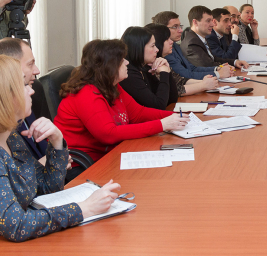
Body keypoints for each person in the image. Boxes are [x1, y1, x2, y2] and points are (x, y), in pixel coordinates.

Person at [0, 55, 120, 251]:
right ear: (3, 97)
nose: (31, 90)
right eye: (23, 86)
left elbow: (48, 190)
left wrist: (57, 142)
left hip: (22, 244)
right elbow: (16, 225)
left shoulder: (11, 137)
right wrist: (84, 208)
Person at [54, 39, 190, 165]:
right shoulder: (86, 93)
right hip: (83, 164)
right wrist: (162, 124)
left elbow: (138, 113)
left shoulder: (111, 85)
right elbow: (109, 134)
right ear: (109, 66)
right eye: (121, 60)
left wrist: (175, 117)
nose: (127, 63)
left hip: (110, 154)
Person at [0, 38, 52, 160]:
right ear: (9, 67)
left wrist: (57, 149)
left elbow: (43, 146)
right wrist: (50, 162)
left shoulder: (34, 90)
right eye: (30, 64)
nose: (37, 71)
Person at [152, 11, 234, 80]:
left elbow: (192, 68)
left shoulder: (175, 46)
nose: (180, 30)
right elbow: (185, 75)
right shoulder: (165, 51)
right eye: (175, 27)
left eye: (180, 26)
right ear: (162, 29)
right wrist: (218, 74)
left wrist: (217, 68)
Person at [144, 23, 219, 96]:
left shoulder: (162, 60)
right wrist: (203, 85)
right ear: (157, 42)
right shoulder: (150, 65)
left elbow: (180, 80)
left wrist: (205, 82)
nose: (171, 42)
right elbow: (176, 90)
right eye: (167, 39)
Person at [119, 26, 179, 109]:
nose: (157, 49)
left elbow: (172, 99)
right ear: (139, 47)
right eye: (152, 46)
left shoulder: (144, 68)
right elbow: (158, 105)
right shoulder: (129, 74)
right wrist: (164, 73)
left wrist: (166, 70)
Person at [181, 5, 248, 69]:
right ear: (195, 22)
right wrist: (221, 68)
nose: (212, 24)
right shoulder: (192, 42)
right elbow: (205, 66)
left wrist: (234, 62)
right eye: (208, 21)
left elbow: (213, 58)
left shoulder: (201, 38)